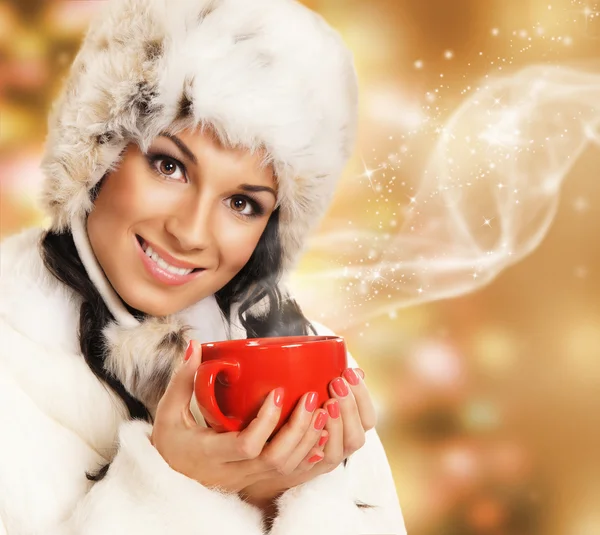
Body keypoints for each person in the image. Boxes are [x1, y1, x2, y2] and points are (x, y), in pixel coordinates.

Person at [0, 0, 406, 533]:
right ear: (97, 154)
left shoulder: (314, 376)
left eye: (243, 203)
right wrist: (169, 490)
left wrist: (285, 499)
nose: (190, 233)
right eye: (169, 166)